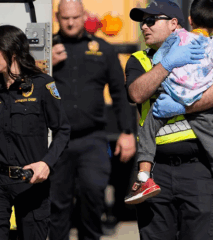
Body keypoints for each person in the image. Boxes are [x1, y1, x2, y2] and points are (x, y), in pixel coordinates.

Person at [126, 0, 213, 239]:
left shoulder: (205, 49)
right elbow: (136, 93)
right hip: (156, 171)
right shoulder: (139, 60)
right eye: (143, 22)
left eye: (152, 20)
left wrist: (181, 104)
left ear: (174, 23)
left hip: (199, 169)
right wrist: (168, 62)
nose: (145, 26)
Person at [0, 25, 71, 240]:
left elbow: (63, 130)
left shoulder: (43, 85)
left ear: (13, 50)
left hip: (30, 183)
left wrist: (47, 163)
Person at [49, 0, 136, 240]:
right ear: (57, 17)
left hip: (93, 138)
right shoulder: (47, 50)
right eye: (65, 18)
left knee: (93, 194)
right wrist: (47, 66)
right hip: (57, 141)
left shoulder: (103, 49)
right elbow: (26, 84)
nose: (70, 22)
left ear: (83, 16)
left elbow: (120, 93)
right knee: (57, 205)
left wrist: (127, 132)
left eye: (75, 17)